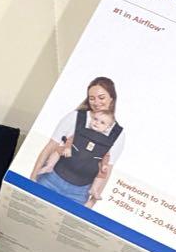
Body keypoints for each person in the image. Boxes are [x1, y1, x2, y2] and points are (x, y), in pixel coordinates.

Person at [31, 77, 124, 208]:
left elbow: (107, 170)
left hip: (79, 193)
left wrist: (91, 203)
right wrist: (33, 177)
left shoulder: (117, 134)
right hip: (51, 179)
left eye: (101, 97)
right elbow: (50, 146)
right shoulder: (75, 117)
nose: (96, 102)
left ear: (112, 98)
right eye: (92, 98)